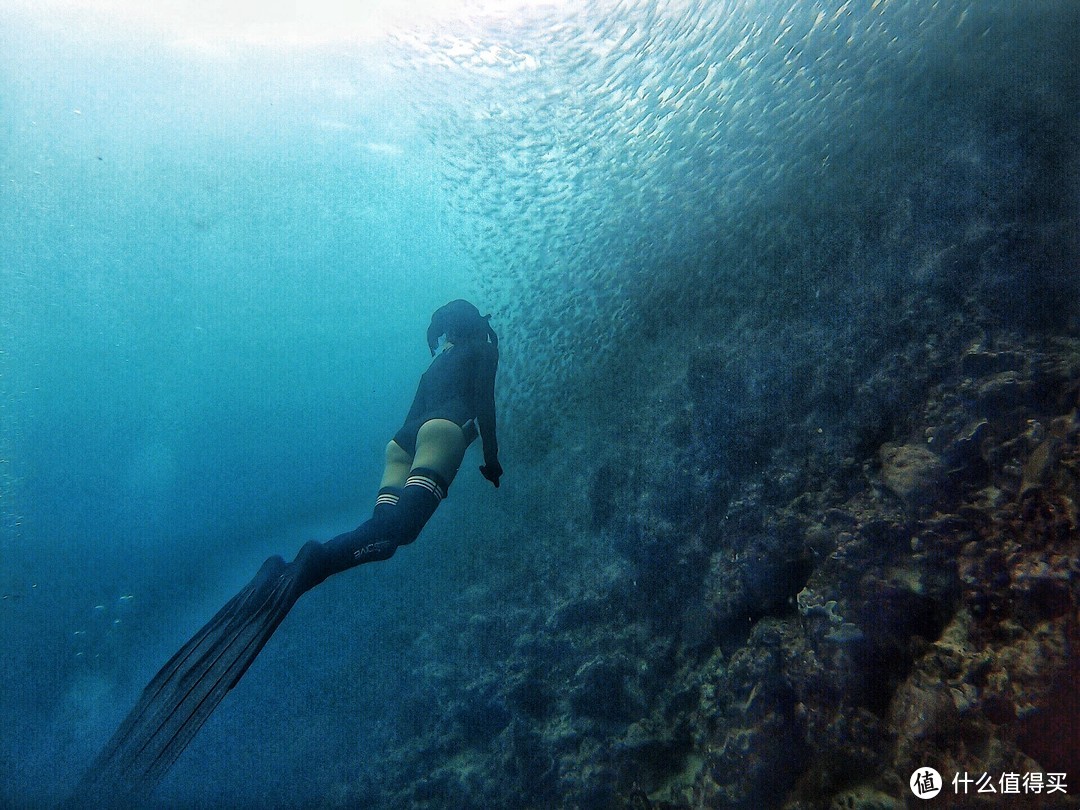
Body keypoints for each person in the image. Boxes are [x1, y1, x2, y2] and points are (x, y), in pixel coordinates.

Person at [72, 300, 502, 806]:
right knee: (397, 534)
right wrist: (490, 459)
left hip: (401, 442)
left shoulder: (437, 359)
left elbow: (417, 409)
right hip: (443, 432)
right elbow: (485, 404)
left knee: (380, 530)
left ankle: (306, 563)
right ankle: (309, 562)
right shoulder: (483, 347)